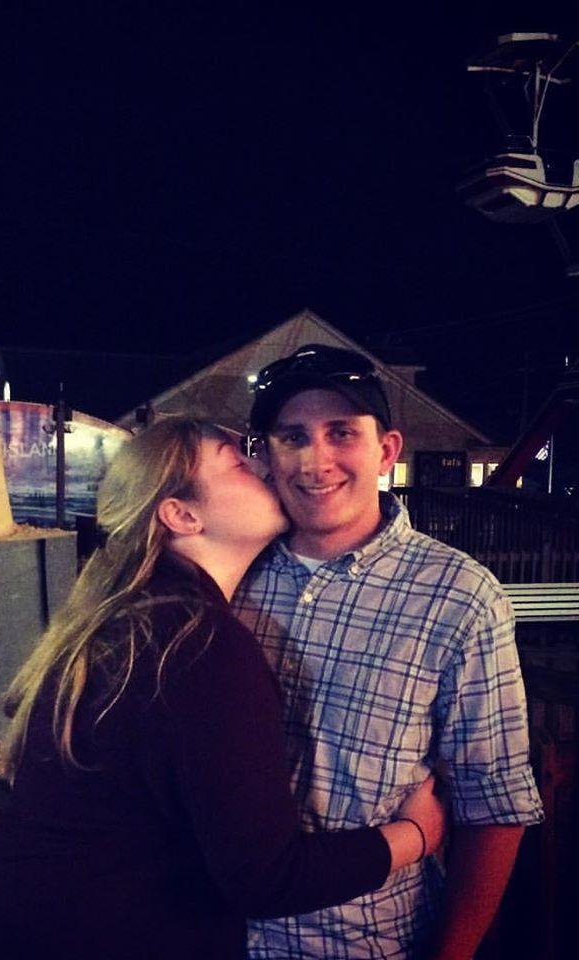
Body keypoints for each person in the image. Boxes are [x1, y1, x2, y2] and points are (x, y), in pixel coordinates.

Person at [0, 417, 446, 960]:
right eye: (236, 462)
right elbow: (266, 877)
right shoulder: (197, 645)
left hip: (11, 922)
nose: (264, 466)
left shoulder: (136, 619)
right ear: (181, 514)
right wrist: (414, 835)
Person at [236, 344, 544, 959]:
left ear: (386, 450)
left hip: (371, 944)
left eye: (341, 433)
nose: (315, 460)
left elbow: (495, 801)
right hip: (215, 935)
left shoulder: (460, 595)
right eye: (292, 436)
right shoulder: (230, 569)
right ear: (265, 456)